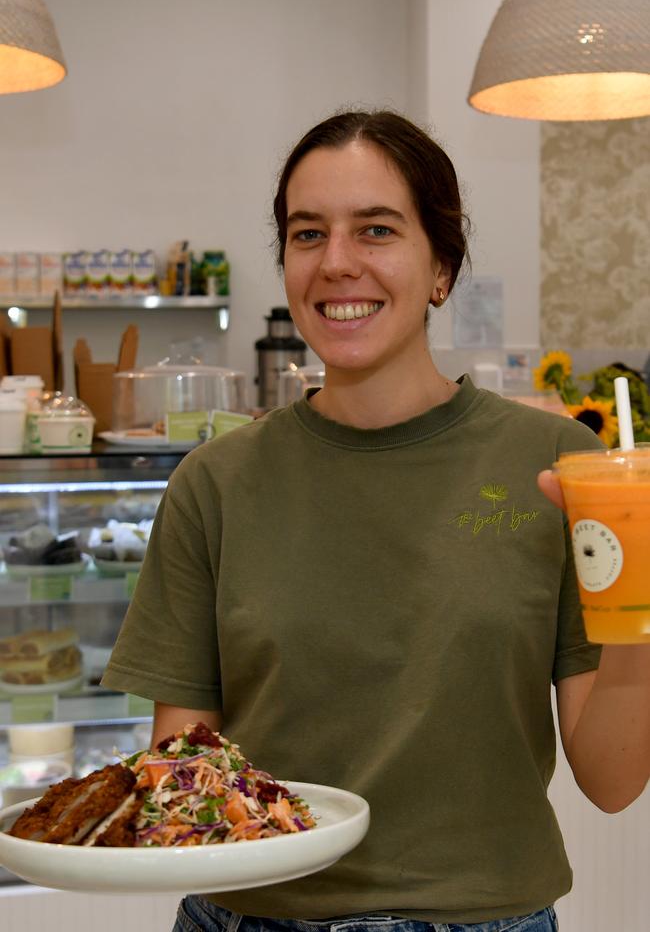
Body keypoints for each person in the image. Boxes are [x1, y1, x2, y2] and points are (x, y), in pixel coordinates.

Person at [102, 110, 650, 932]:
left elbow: (611, 780)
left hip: (481, 921)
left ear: (441, 266)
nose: (338, 263)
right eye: (307, 233)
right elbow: (185, 779)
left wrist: (641, 604)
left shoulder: (555, 467)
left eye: (378, 229)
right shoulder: (215, 484)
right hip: (250, 921)